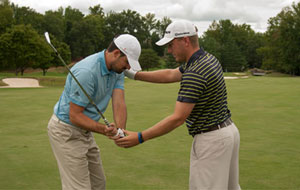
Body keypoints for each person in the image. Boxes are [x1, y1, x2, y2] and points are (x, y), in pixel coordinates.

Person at [115, 20, 241, 190]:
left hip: (212, 140)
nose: (168, 50)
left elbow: (177, 118)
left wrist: (140, 137)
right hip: (228, 133)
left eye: (171, 45)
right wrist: (136, 75)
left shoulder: (195, 72)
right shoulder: (206, 59)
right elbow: (170, 74)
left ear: (185, 41)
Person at [47, 34, 142, 190]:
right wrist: (104, 130)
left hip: (85, 131)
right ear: (117, 53)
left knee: (98, 184)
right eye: (127, 62)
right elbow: (75, 116)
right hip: (66, 131)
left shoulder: (116, 70)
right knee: (78, 187)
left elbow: (119, 102)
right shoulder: (87, 71)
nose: (128, 67)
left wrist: (120, 130)